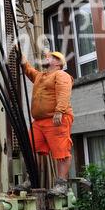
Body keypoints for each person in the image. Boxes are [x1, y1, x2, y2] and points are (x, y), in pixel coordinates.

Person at [19, 50, 74, 195]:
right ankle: (30, 179)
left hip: (56, 118)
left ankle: (61, 184)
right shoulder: (40, 76)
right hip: (39, 121)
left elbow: (64, 92)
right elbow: (30, 71)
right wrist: (23, 60)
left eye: (49, 57)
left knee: (61, 152)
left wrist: (59, 111)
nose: (46, 57)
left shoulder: (61, 74)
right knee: (29, 147)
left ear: (58, 63)